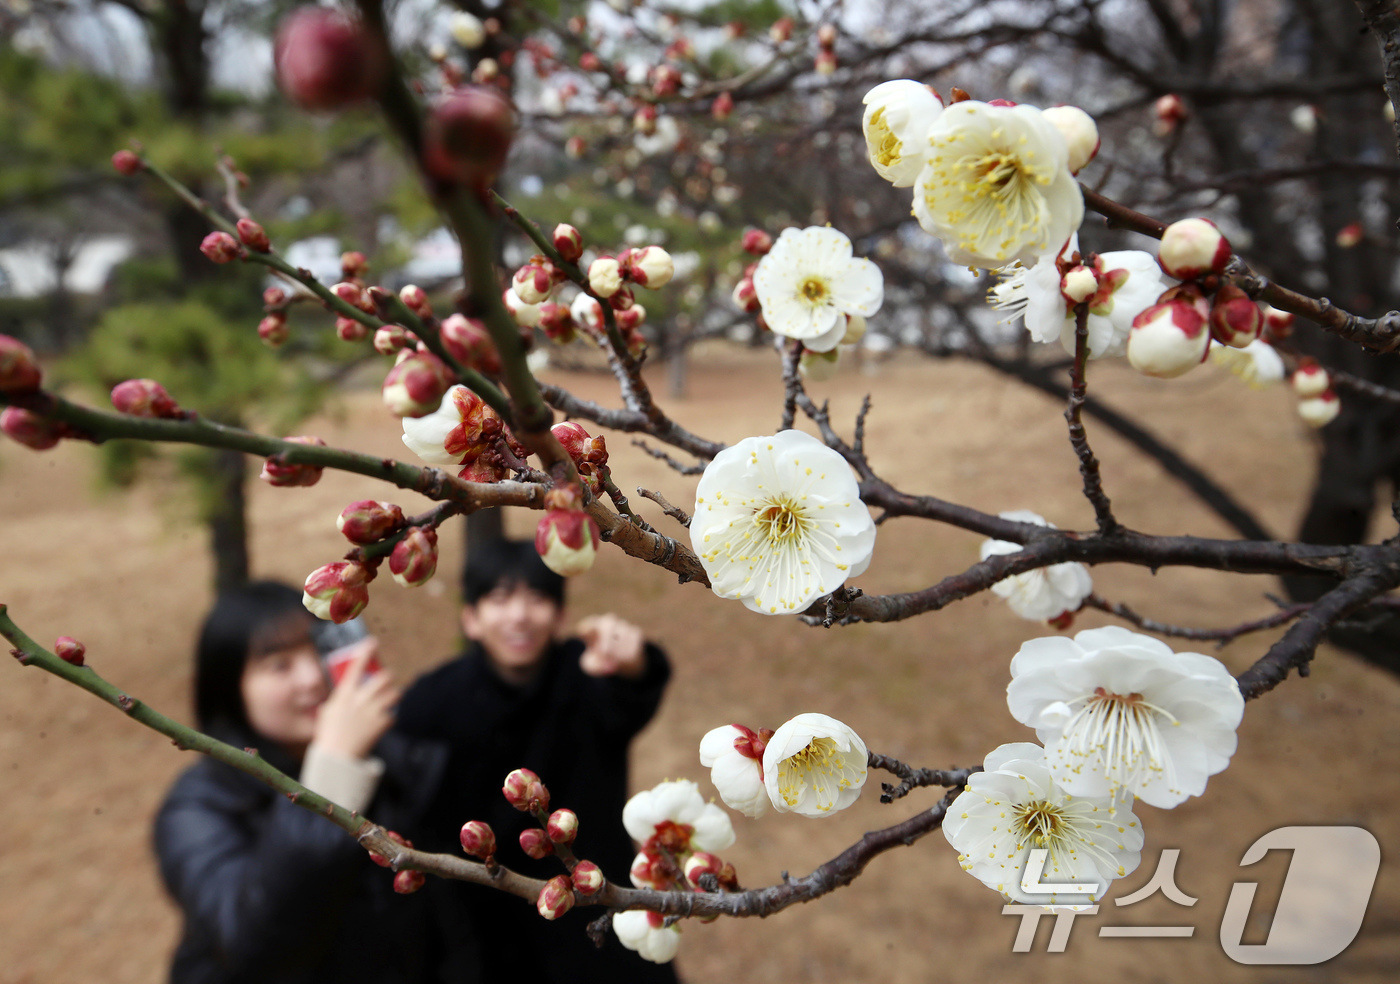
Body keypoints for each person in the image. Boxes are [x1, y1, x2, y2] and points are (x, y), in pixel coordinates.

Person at [394, 539, 677, 984]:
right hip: (485, 926)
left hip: (595, 905)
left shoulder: (586, 678)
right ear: (470, 617)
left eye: (538, 597)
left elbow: (631, 699)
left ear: (560, 615)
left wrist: (635, 663)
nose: (520, 615)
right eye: (500, 598)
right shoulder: (432, 703)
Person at [153, 581, 465, 984]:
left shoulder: (393, 763)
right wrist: (334, 769)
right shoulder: (199, 806)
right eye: (279, 665)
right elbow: (254, 945)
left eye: (319, 650)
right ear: (229, 689)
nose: (313, 679)